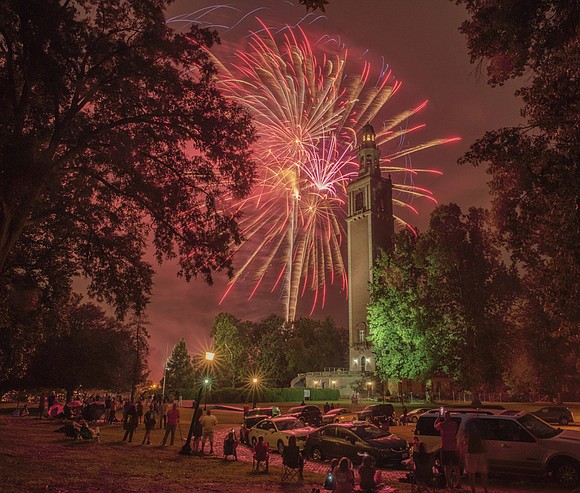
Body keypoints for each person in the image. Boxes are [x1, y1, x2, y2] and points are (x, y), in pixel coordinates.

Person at [460, 419, 489, 493]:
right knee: (482, 472)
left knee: (472, 473)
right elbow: (483, 442)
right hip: (478, 452)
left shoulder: (467, 432)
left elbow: (463, 442)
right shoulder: (478, 431)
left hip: (472, 453)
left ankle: (474, 490)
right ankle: (484, 490)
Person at [434, 410, 460, 489]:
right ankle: (458, 482)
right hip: (454, 448)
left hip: (445, 448)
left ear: (444, 417)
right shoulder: (454, 424)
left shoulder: (442, 425)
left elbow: (435, 426)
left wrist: (438, 417)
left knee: (447, 467)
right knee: (456, 466)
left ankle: (449, 483)